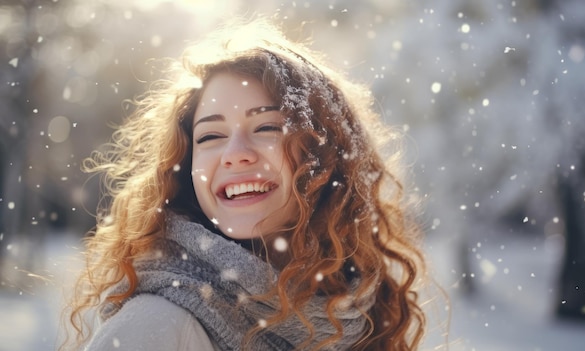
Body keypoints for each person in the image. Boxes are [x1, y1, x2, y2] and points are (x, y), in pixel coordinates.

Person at [63, 17, 428, 351]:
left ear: (326, 156)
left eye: (267, 127)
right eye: (210, 136)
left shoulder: (362, 315)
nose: (235, 154)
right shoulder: (156, 328)